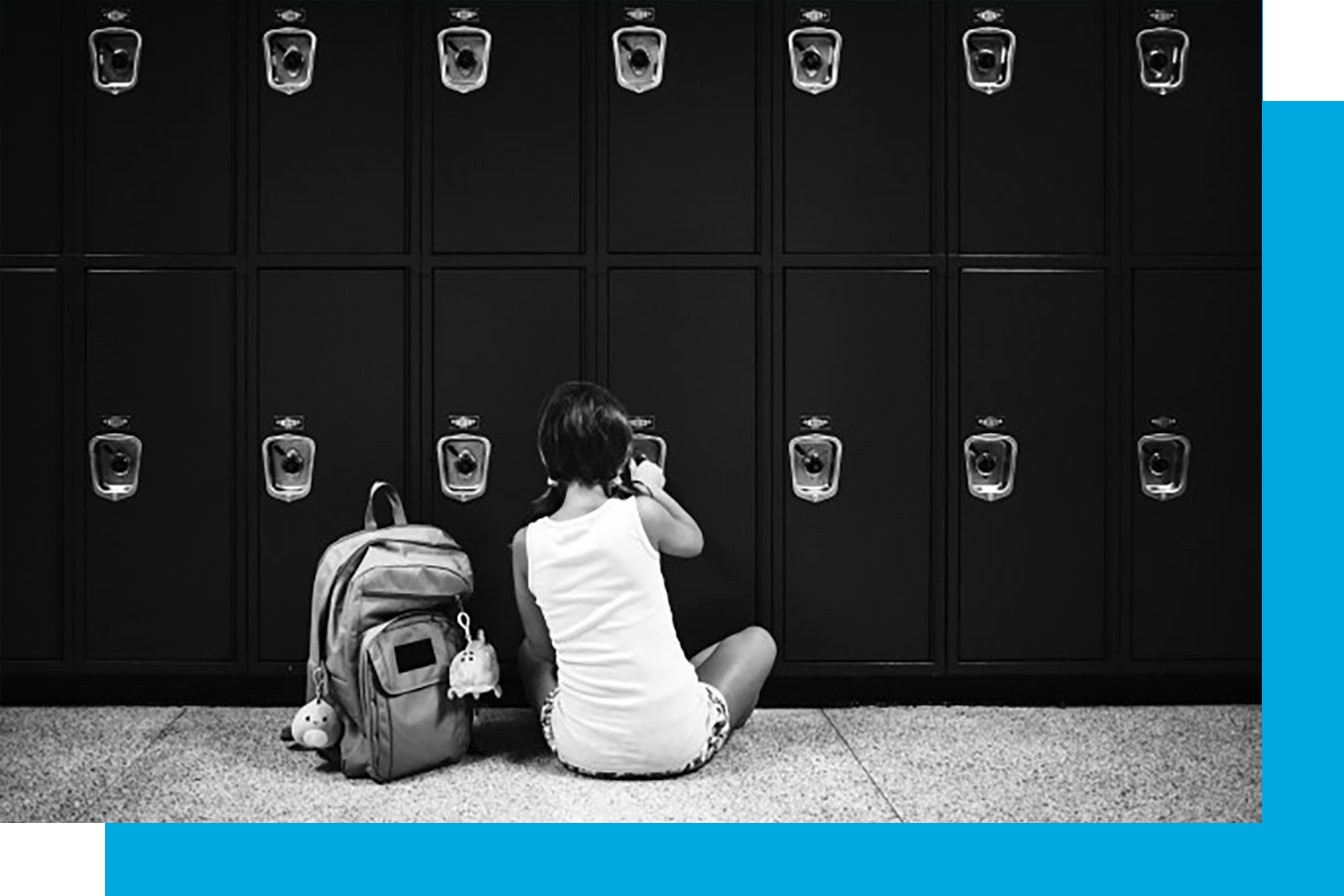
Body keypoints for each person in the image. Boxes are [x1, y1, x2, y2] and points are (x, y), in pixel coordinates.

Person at [511, 381, 777, 778]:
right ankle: (704, 713)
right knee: (758, 641)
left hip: (579, 751)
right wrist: (653, 490)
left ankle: (625, 710)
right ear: (619, 459)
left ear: (546, 458)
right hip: (677, 746)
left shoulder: (525, 543)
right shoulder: (642, 514)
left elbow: (544, 650)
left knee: (526, 654)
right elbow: (695, 541)